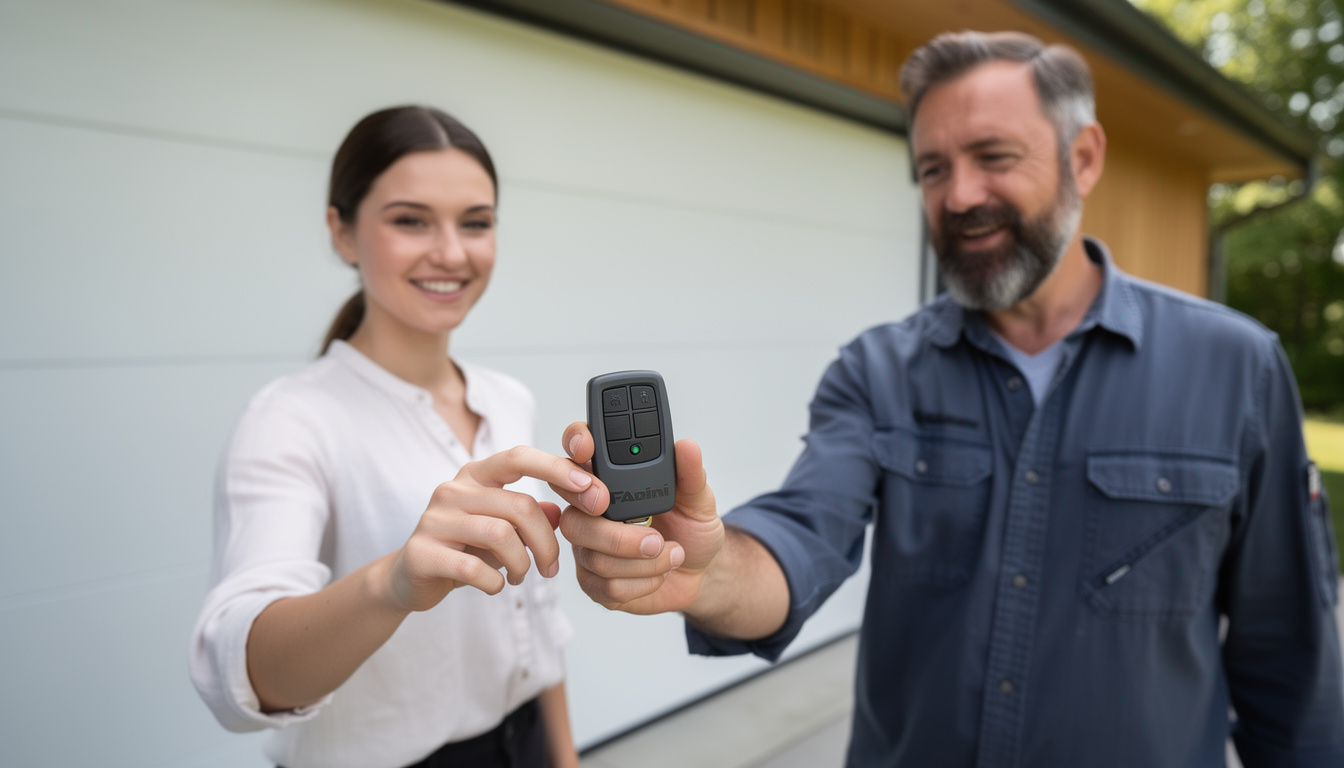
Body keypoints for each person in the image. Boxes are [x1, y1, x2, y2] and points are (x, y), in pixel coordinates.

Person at [558, 30, 1344, 767]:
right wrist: (713, 574)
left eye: (993, 156)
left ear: (1086, 156)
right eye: (933, 169)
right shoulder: (876, 371)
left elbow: (1290, 657)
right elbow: (805, 530)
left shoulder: (1236, 366)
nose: (959, 194)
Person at [190, 105, 599, 768]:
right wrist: (393, 582)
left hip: (525, 745)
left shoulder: (506, 398)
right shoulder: (290, 420)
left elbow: (538, 626)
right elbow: (240, 671)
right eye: (410, 220)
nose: (451, 252)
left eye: (476, 222)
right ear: (342, 232)